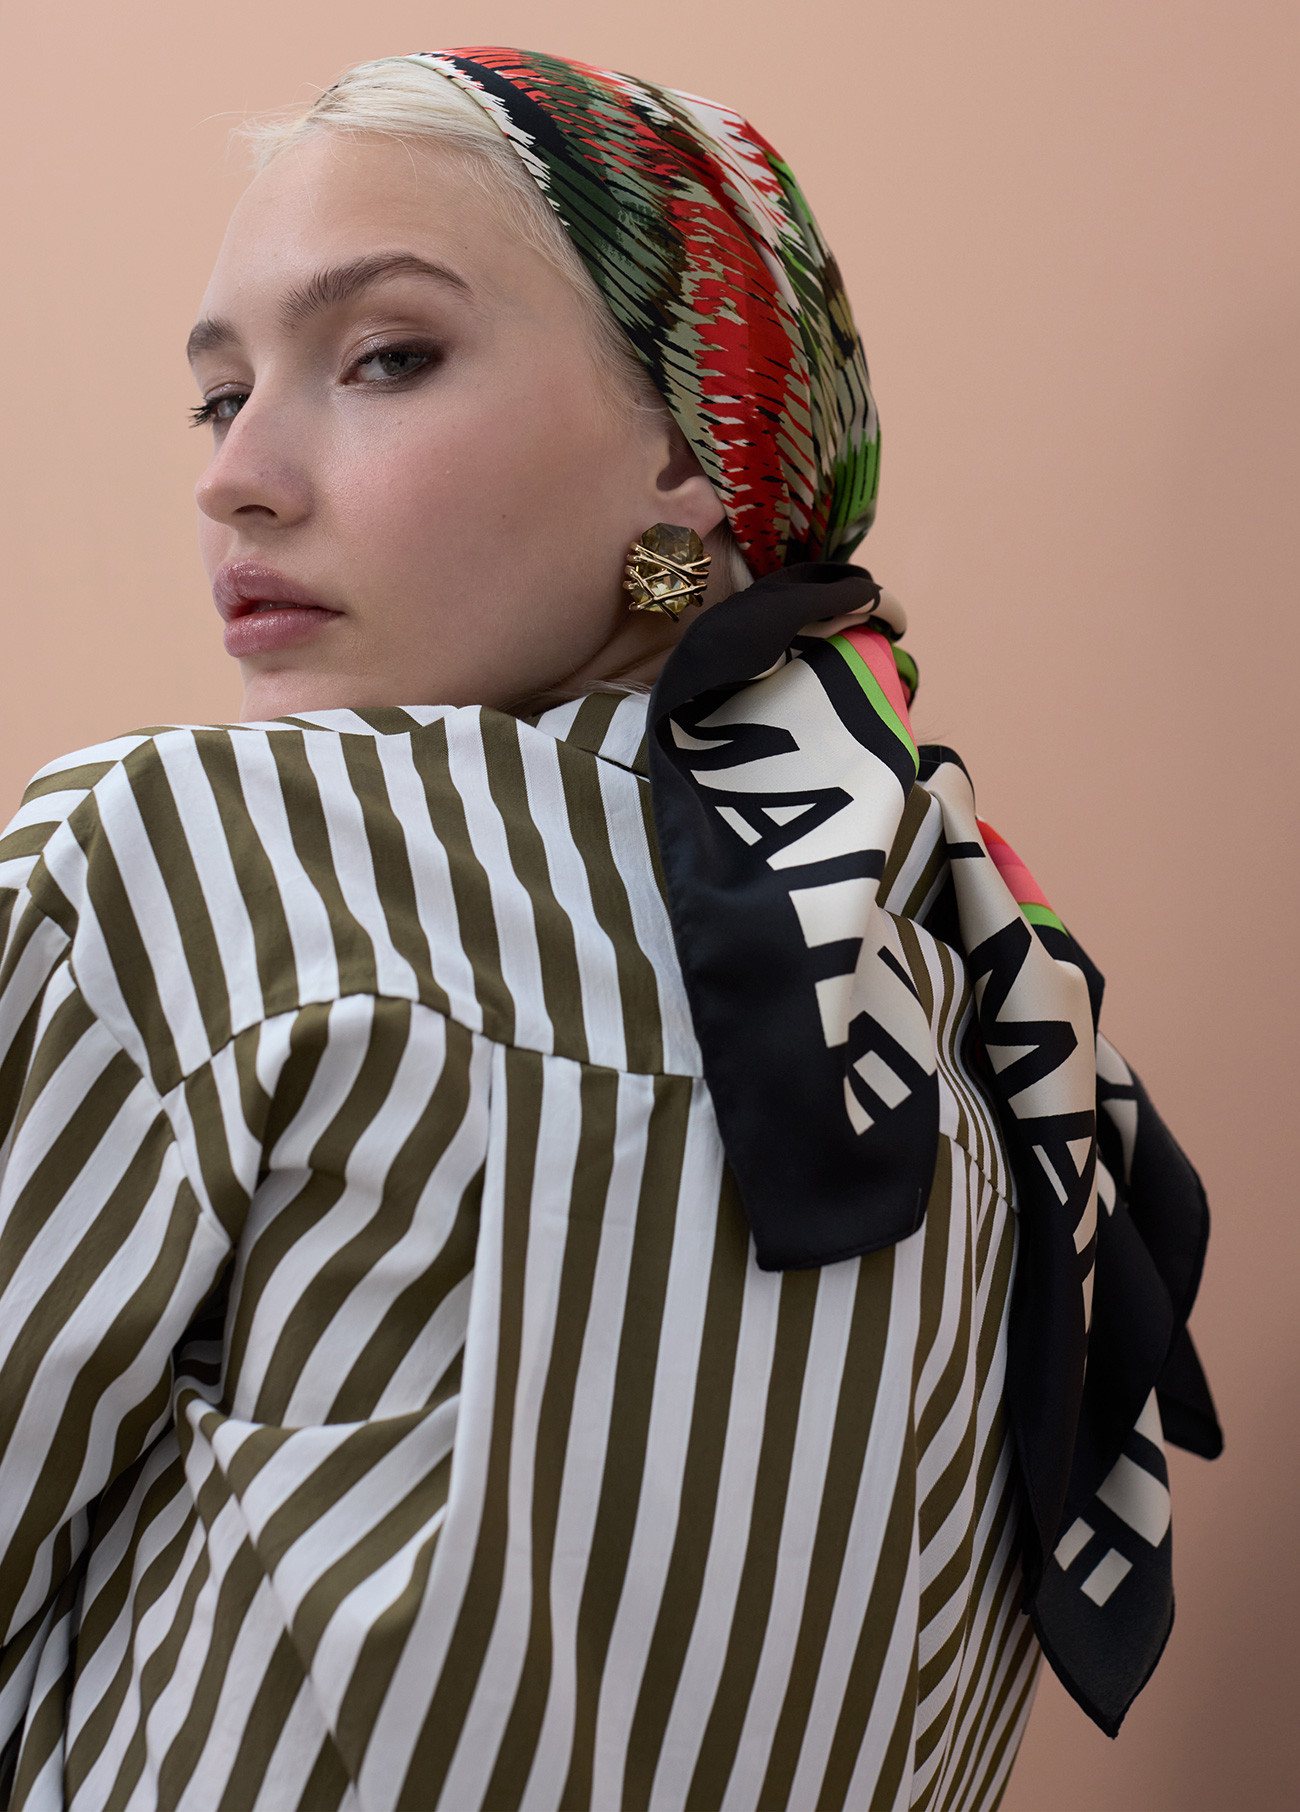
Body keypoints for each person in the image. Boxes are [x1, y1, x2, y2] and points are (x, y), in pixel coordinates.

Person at [0, 48, 1219, 1812]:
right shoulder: (986, 1011)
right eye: (219, 398)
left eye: (386, 356)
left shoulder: (193, 860)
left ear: (686, 439)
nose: (239, 476)